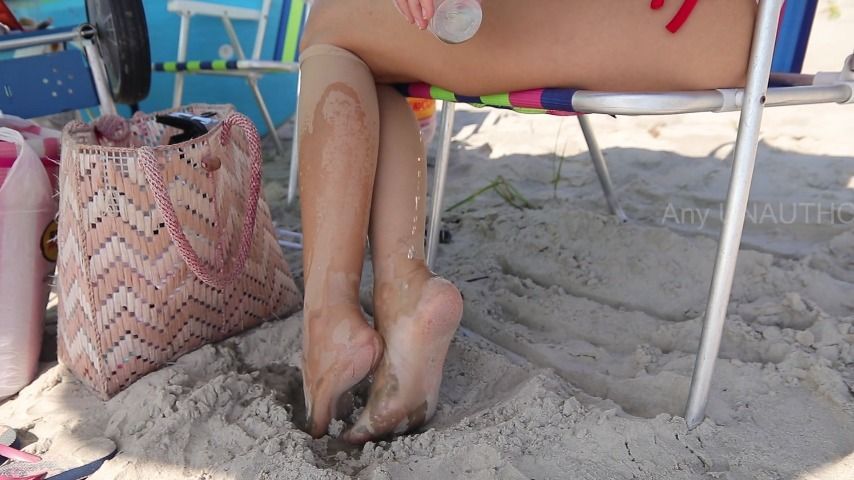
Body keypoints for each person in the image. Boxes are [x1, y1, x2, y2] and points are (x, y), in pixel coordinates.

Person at [296, 0, 758, 443]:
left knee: (333, 25)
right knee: (378, 44)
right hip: (719, 29)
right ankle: (402, 296)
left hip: (666, 19)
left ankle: (331, 316)